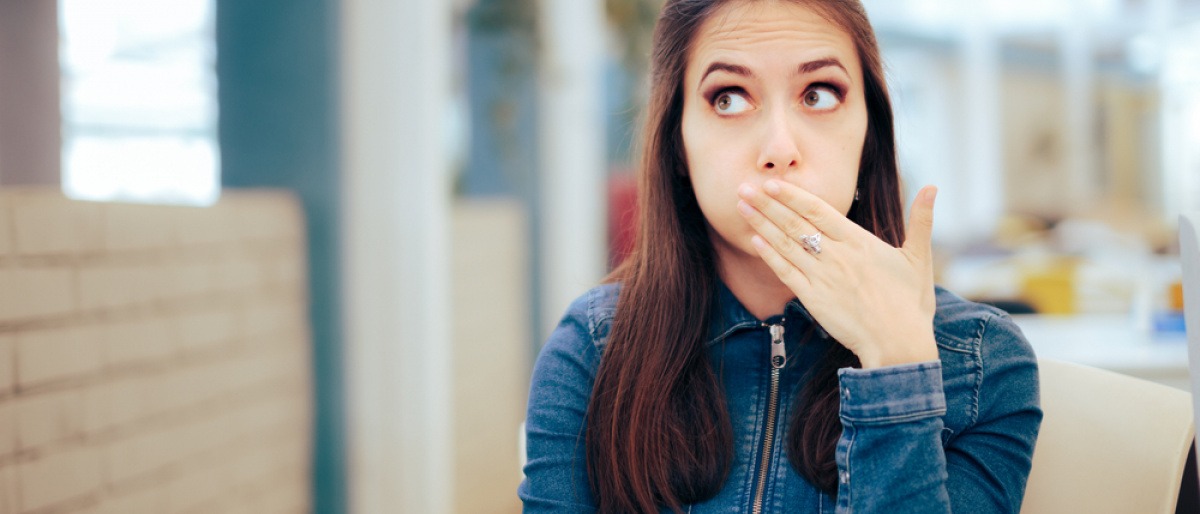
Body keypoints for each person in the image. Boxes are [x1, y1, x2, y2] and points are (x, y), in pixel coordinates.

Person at [518, 0, 1042, 512]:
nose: (779, 146)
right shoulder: (593, 348)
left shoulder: (982, 362)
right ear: (678, 144)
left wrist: (898, 365)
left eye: (818, 94)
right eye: (728, 98)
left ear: (869, 136)